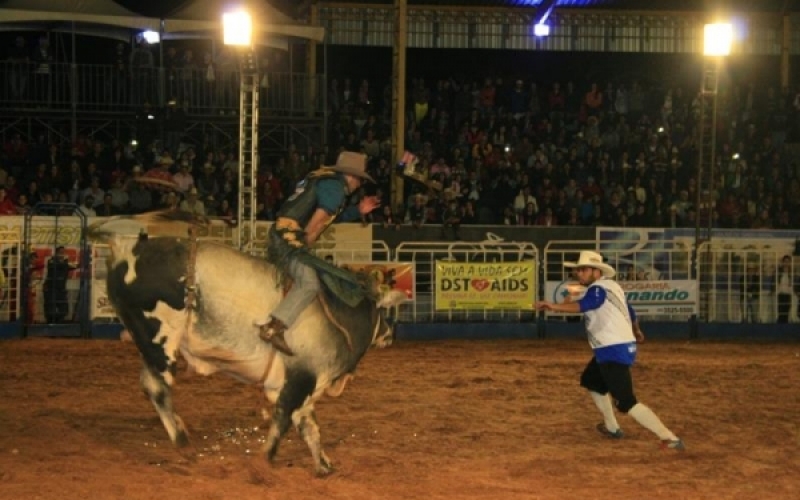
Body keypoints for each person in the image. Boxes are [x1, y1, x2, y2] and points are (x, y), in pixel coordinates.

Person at [536, 250, 685, 451]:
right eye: (578, 270)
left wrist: (552, 305)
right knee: (592, 381)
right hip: (615, 348)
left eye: (583, 270)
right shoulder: (612, 286)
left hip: (612, 350)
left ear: (597, 272)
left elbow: (588, 305)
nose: (579, 274)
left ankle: (669, 437)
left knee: (626, 402)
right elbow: (629, 310)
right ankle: (612, 427)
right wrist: (637, 329)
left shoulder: (597, 289)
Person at [258, 151, 380, 355]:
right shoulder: (335, 189)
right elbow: (315, 225)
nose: (359, 184)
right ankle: (274, 328)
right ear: (351, 176)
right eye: (359, 179)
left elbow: (330, 216)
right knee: (310, 283)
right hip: (289, 240)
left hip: (282, 233)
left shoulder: (324, 180)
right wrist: (304, 247)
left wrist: (357, 211)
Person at [43, 246, 77, 323]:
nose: (62, 254)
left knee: (63, 308)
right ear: (57, 253)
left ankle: (59, 322)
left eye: (63, 252)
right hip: (51, 289)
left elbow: (74, 266)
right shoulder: (52, 261)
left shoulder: (65, 263)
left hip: (61, 289)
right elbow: (59, 265)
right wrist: (66, 263)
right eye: (61, 252)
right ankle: (50, 324)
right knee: (50, 308)